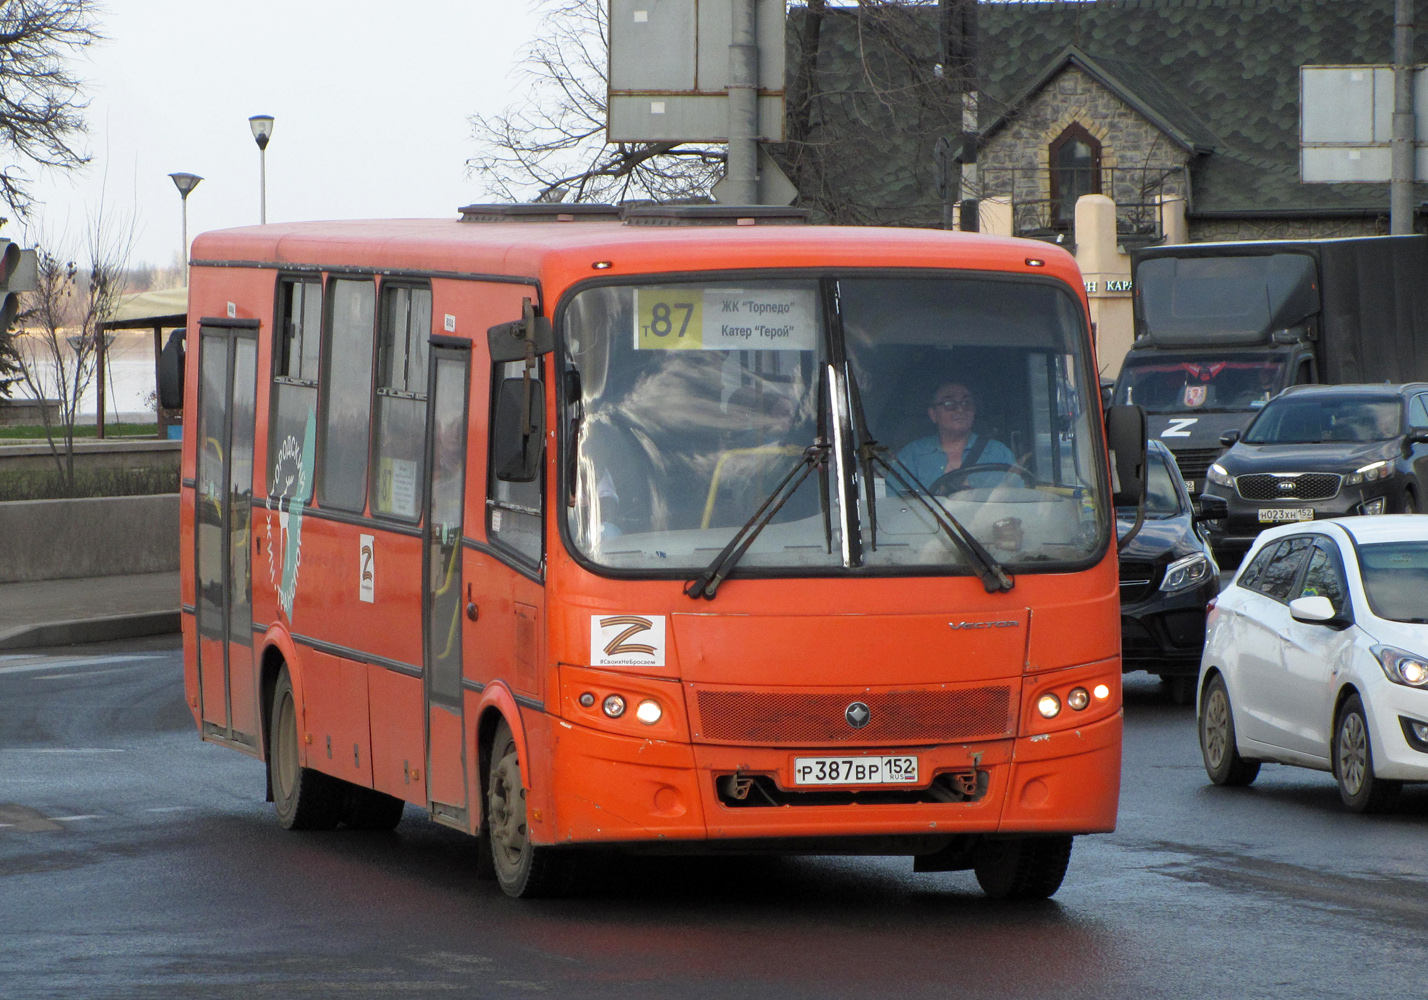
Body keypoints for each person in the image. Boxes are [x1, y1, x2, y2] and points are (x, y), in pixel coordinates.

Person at [895, 381, 1017, 491]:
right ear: (933, 414)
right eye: (949, 404)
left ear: (974, 411)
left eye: (966, 403)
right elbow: (895, 507)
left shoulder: (1000, 453)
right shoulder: (911, 455)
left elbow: (1019, 500)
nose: (960, 409)